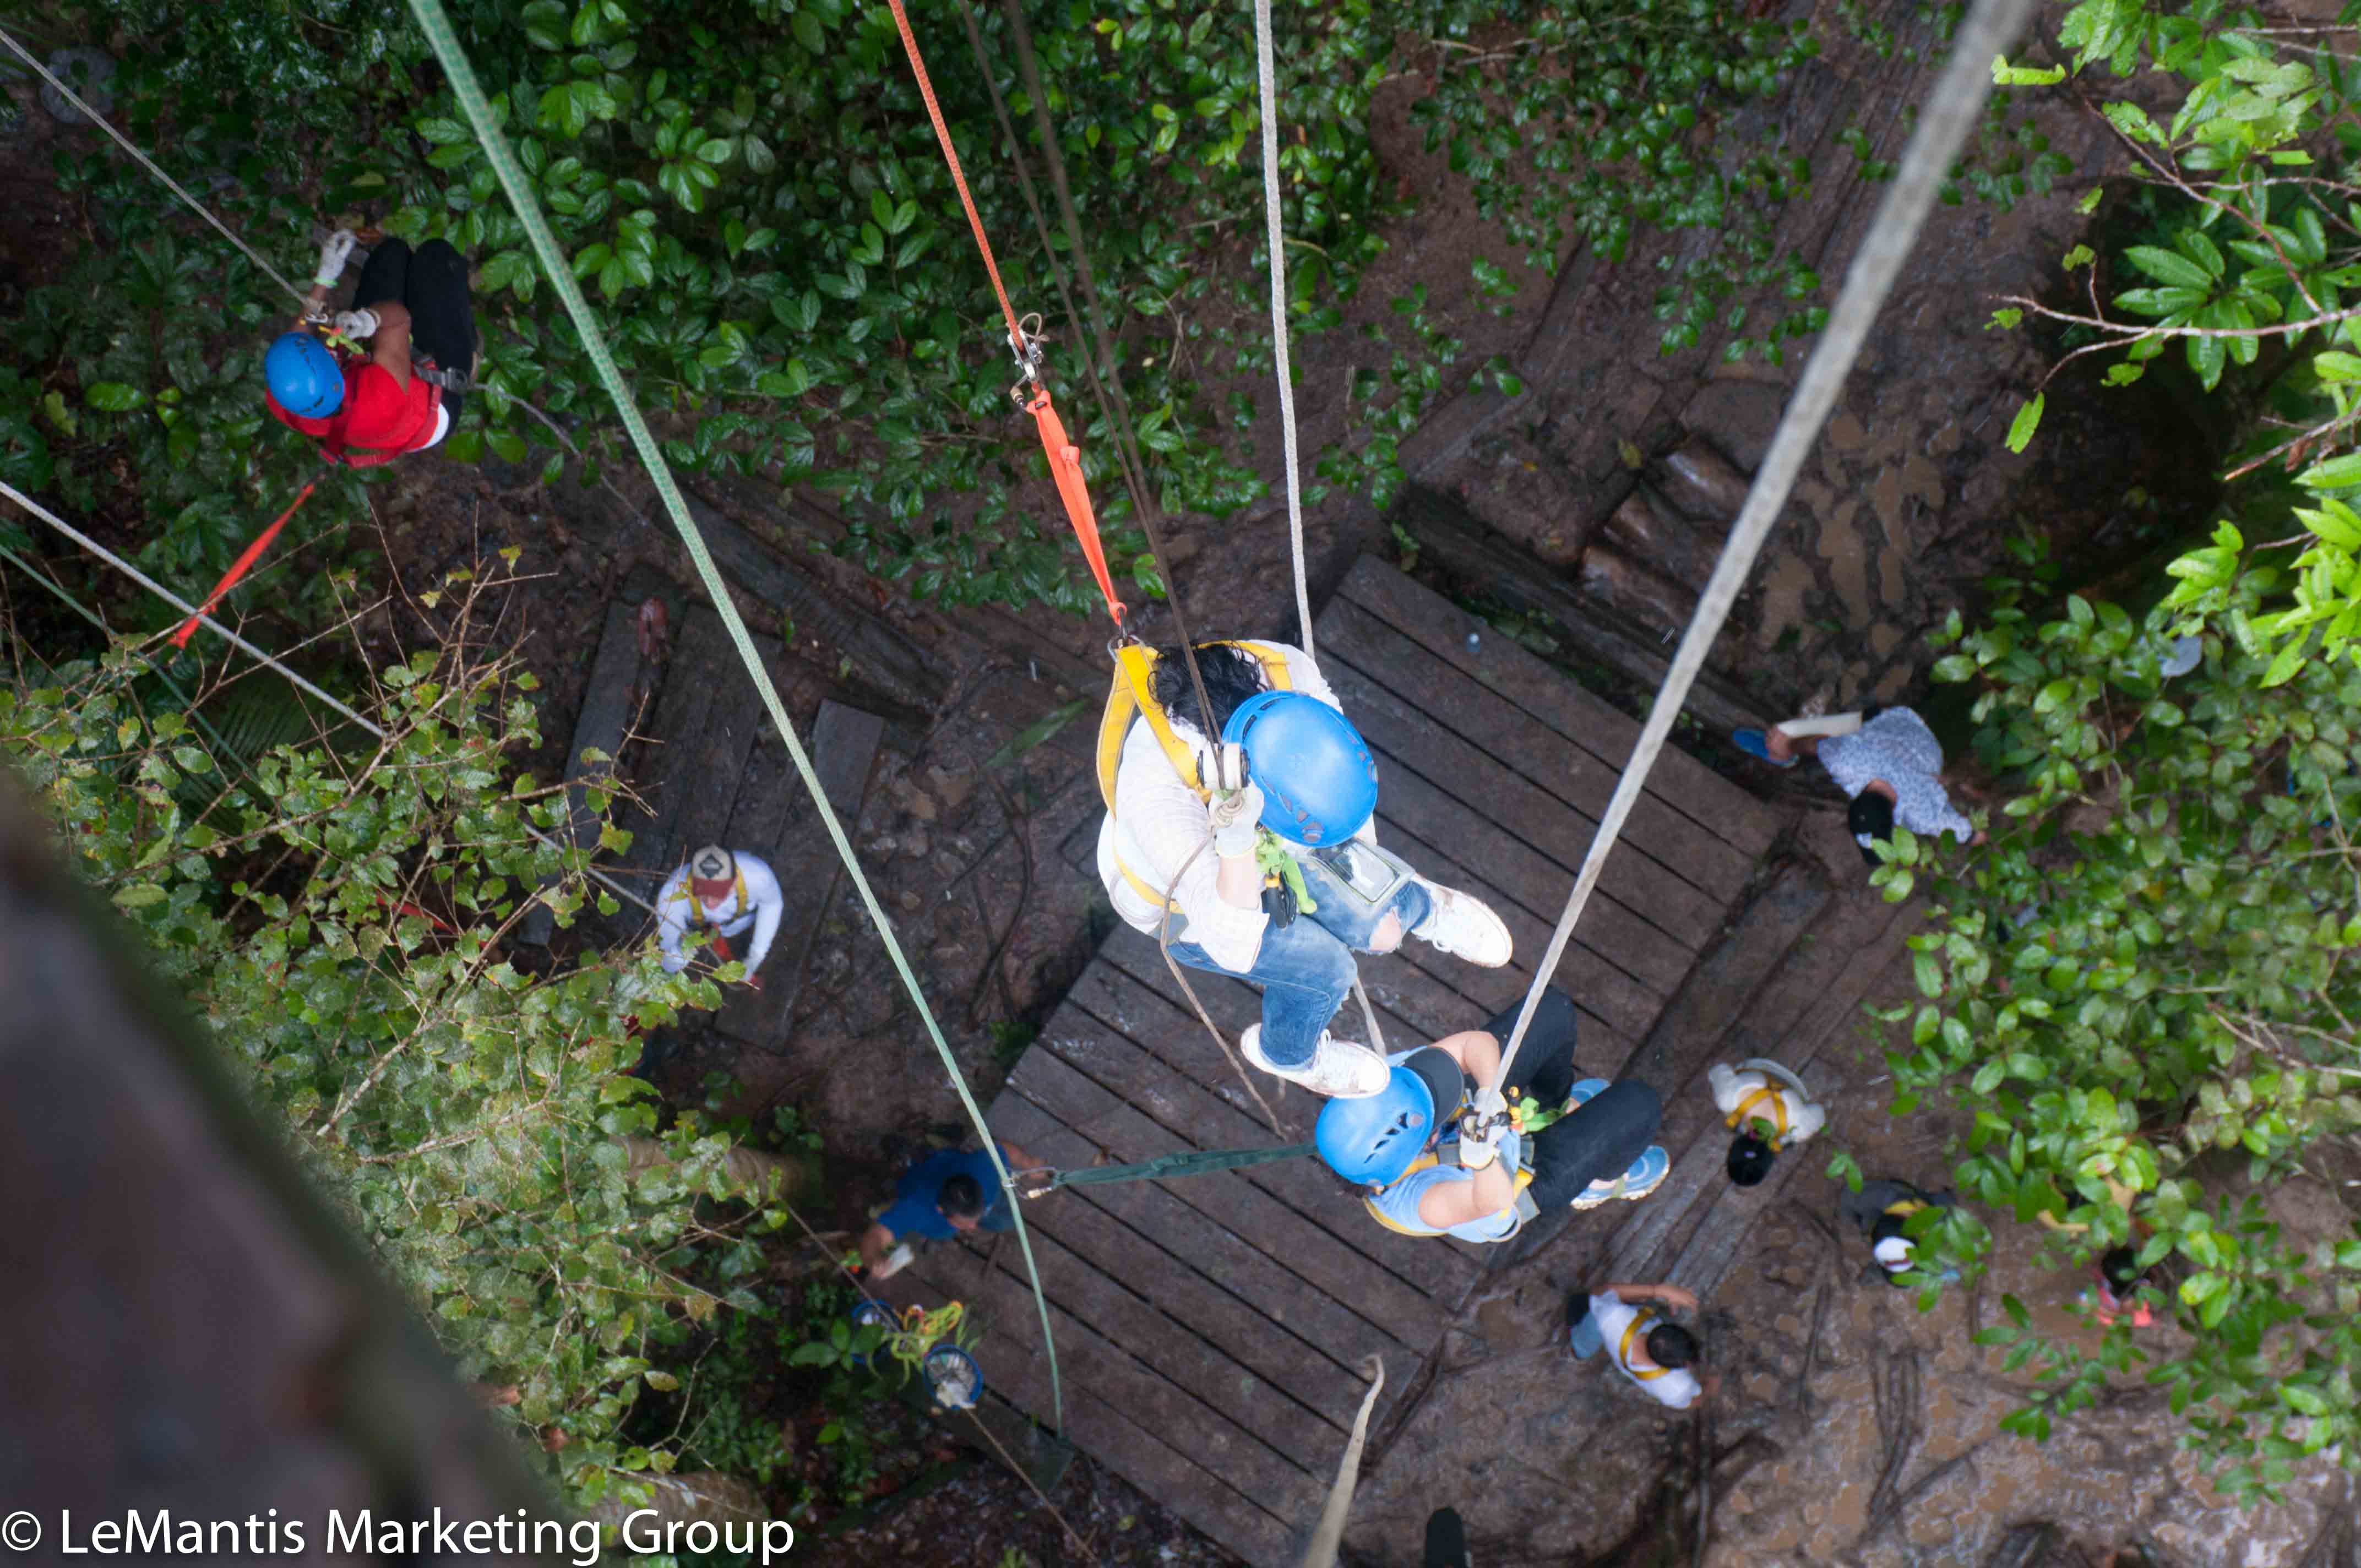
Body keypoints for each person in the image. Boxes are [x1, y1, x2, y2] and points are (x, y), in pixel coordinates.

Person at [1095, 639, 1513, 1097]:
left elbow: (1341, 769)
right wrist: (1235, 841)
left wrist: (1361, 872)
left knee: (1383, 930)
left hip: (1287, 826)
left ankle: (1421, 905)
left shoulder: (1284, 670)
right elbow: (1230, 939)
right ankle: (1288, 1054)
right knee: (1328, 969)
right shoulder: (1157, 795)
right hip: (1194, 899)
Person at [1316, 987, 1668, 1242]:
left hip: (1485, 1116)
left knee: (1552, 1011)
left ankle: (1551, 1107)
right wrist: (1482, 1161)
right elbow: (1490, 1202)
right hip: (1517, 1178)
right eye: (1432, 1126)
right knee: (1641, 1105)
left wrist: (1488, 1091)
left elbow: (1473, 1045)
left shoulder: (1385, 1085)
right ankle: (1599, 1183)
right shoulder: (1417, 1201)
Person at [263, 230, 476, 467]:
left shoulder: (286, 392)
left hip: (376, 379)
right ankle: (468, 346)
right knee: (435, 257)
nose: (326, 345)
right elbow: (398, 319)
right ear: (337, 378)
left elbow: (297, 341)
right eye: (328, 354)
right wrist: (370, 319)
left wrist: (323, 281)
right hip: (429, 406)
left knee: (390, 254)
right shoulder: (380, 399)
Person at [1732, 707, 1982, 865]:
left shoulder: (1925, 816)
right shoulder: (1846, 761)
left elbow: (1971, 833)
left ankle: (1783, 752)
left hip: (1922, 743)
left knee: (1919, 766)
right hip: (1901, 726)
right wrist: (1789, 747)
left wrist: (1976, 838)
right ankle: (1783, 757)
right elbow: (1815, 743)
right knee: (1792, 738)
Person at [858, 1139, 1045, 1278]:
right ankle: (906, 1162)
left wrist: (1029, 1163)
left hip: (960, 1179)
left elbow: (1003, 1149)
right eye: (966, 1223)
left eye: (974, 1218)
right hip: (921, 1179)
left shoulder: (983, 1169)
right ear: (940, 1210)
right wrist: (874, 1260)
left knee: (1007, 1220)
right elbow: (874, 1238)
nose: (973, 1227)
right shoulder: (915, 1209)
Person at [1566, 1281, 1716, 1410]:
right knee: (1596, 1314)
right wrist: (1711, 1388)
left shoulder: (1615, 1316)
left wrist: (1657, 1290)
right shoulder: (1677, 1388)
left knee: (1586, 1332)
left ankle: (1577, 1352)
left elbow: (1599, 1293)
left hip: (1611, 1327)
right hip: (1619, 1341)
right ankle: (1579, 1350)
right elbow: (1694, 1402)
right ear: (1685, 1365)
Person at [655, 846, 785, 986]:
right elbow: (667, 962)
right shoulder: (671, 898)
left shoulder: (758, 876)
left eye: (718, 894)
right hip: (695, 930)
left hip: (741, 923)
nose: (710, 903)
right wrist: (684, 948)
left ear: (734, 883)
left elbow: (772, 905)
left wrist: (755, 957)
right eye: (702, 894)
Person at [1709, 1057, 1826, 1188]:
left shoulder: (1798, 1129)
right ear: (1734, 1146)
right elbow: (1718, 1070)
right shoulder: (1727, 1098)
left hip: (1793, 1082)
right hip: (1756, 1064)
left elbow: (1819, 1112)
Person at [1841, 1178, 1960, 1286]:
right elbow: (1849, 1197)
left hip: (1907, 1201)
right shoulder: (1878, 1197)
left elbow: (1848, 1198)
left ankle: (1880, 1273)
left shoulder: (1937, 1227)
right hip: (1893, 1205)